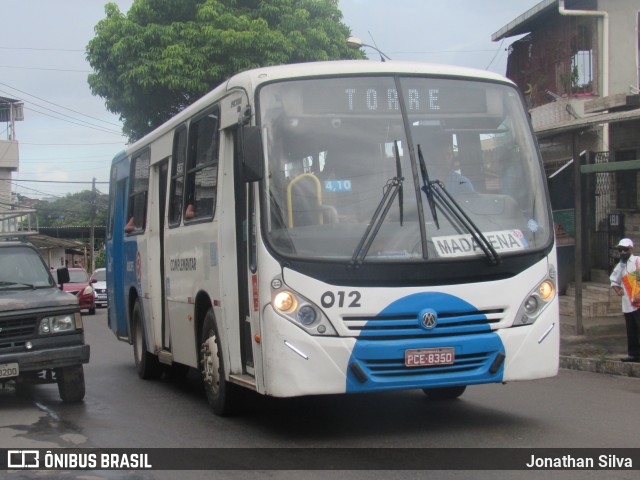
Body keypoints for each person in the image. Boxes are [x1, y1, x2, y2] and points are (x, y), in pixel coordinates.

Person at [609, 238, 640, 362]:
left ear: (631, 249)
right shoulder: (620, 265)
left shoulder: (637, 261)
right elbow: (614, 279)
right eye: (620, 250)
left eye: (625, 250)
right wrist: (617, 289)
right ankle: (633, 354)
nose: (622, 252)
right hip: (628, 303)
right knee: (631, 330)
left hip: (638, 303)